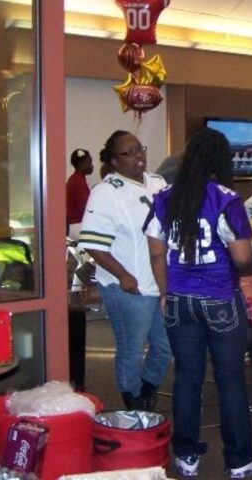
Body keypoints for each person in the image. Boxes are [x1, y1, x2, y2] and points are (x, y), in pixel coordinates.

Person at [145, 128, 252, 479]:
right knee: (229, 380)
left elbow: (155, 250)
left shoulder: (165, 197)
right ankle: (239, 460)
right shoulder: (226, 198)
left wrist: (165, 292)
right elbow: (242, 257)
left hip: (179, 299)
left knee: (187, 378)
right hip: (220, 299)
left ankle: (186, 455)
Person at [78, 131, 171, 410]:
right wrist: (122, 275)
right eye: (128, 153)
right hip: (128, 288)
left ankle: (147, 387)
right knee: (132, 349)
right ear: (115, 161)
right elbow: (92, 244)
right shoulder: (106, 192)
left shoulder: (158, 182)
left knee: (165, 347)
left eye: (139, 149)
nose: (138, 156)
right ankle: (134, 402)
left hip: (160, 284)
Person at [66, 148, 93, 235]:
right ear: (81, 164)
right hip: (77, 226)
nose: (92, 166)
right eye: (89, 162)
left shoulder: (74, 179)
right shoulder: (78, 182)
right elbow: (85, 208)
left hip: (73, 225)